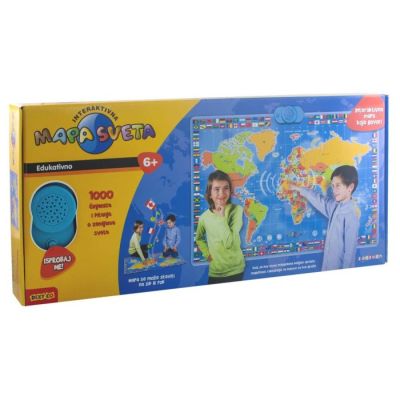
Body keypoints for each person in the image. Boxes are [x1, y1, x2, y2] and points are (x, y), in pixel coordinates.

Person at [290, 165, 360, 270]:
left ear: (350, 187)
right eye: (333, 186)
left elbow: (349, 255)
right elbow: (318, 199)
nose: (334, 190)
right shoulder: (334, 206)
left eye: (338, 185)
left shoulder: (351, 217)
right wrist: (299, 189)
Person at [195, 170, 245, 284]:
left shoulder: (237, 210)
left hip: (236, 270)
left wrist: (222, 217)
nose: (221, 193)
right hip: (216, 272)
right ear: (210, 194)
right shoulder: (204, 217)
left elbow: (228, 243)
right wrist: (207, 254)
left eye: (226, 188)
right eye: (217, 189)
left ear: (230, 191)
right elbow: (199, 238)